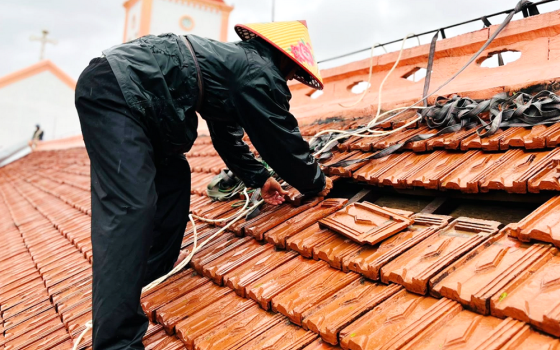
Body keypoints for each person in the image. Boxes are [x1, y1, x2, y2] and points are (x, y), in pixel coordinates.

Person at [74, 20, 333, 350]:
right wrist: (316, 182)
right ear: (283, 59)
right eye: (291, 73)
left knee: (174, 184)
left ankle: (142, 281)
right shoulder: (258, 70)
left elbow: (228, 136)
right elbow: (280, 137)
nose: (287, 81)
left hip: (138, 99)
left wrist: (259, 178)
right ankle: (116, 343)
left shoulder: (234, 68)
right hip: (117, 90)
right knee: (131, 207)